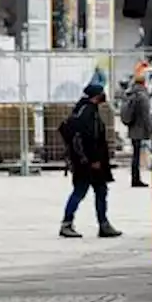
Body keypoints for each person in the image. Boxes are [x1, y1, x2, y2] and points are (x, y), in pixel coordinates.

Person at [59, 84, 122, 239]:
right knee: (81, 191)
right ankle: (68, 224)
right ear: (97, 96)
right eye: (101, 93)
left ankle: (103, 223)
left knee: (99, 190)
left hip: (85, 160)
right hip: (88, 162)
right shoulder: (88, 113)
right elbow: (89, 138)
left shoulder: (81, 110)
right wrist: (93, 159)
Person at [121, 67, 152, 188]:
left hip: (132, 129)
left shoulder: (130, 93)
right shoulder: (142, 96)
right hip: (140, 130)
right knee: (137, 156)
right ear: (144, 83)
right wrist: (150, 130)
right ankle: (136, 179)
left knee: (135, 155)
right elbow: (146, 116)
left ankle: (135, 178)